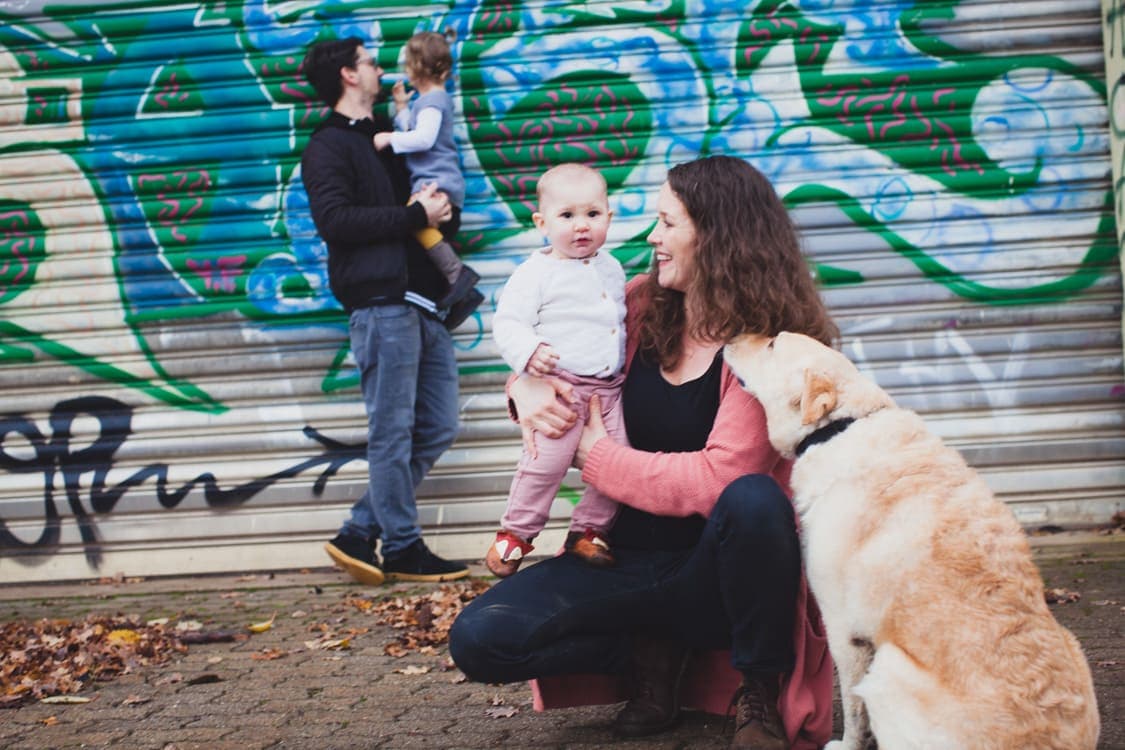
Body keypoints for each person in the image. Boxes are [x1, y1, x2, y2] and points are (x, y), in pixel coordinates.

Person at [450, 155, 838, 749]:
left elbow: (720, 476)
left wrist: (597, 456)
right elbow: (567, 362)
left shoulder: (771, 345)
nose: (651, 237)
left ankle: (756, 686)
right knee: (480, 639)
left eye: (667, 223)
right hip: (619, 558)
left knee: (755, 499)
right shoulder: (633, 304)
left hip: (715, 574)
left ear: (718, 237)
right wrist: (523, 387)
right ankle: (645, 652)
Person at [301, 36, 470, 585]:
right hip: (381, 305)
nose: (381, 68)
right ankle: (401, 545)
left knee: (438, 425)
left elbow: (422, 205)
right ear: (349, 75)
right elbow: (336, 222)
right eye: (370, 62)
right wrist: (414, 214)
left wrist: (440, 213)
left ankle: (358, 531)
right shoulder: (328, 146)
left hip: (424, 302)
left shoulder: (390, 138)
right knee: (392, 433)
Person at [486, 163, 627, 577]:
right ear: (541, 223)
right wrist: (528, 354)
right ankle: (516, 533)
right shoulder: (535, 273)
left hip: (609, 389)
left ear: (609, 218)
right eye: (567, 215)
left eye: (592, 214)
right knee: (544, 464)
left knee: (617, 463)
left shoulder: (613, 268)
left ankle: (588, 531)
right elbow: (508, 323)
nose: (581, 225)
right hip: (560, 388)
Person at [373, 30, 483, 330]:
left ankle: (457, 274)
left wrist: (388, 138)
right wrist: (402, 108)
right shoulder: (428, 100)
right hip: (434, 180)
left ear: (414, 67)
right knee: (417, 231)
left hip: (437, 181)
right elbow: (416, 130)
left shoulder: (433, 100)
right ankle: (457, 293)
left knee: (415, 220)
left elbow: (423, 138)